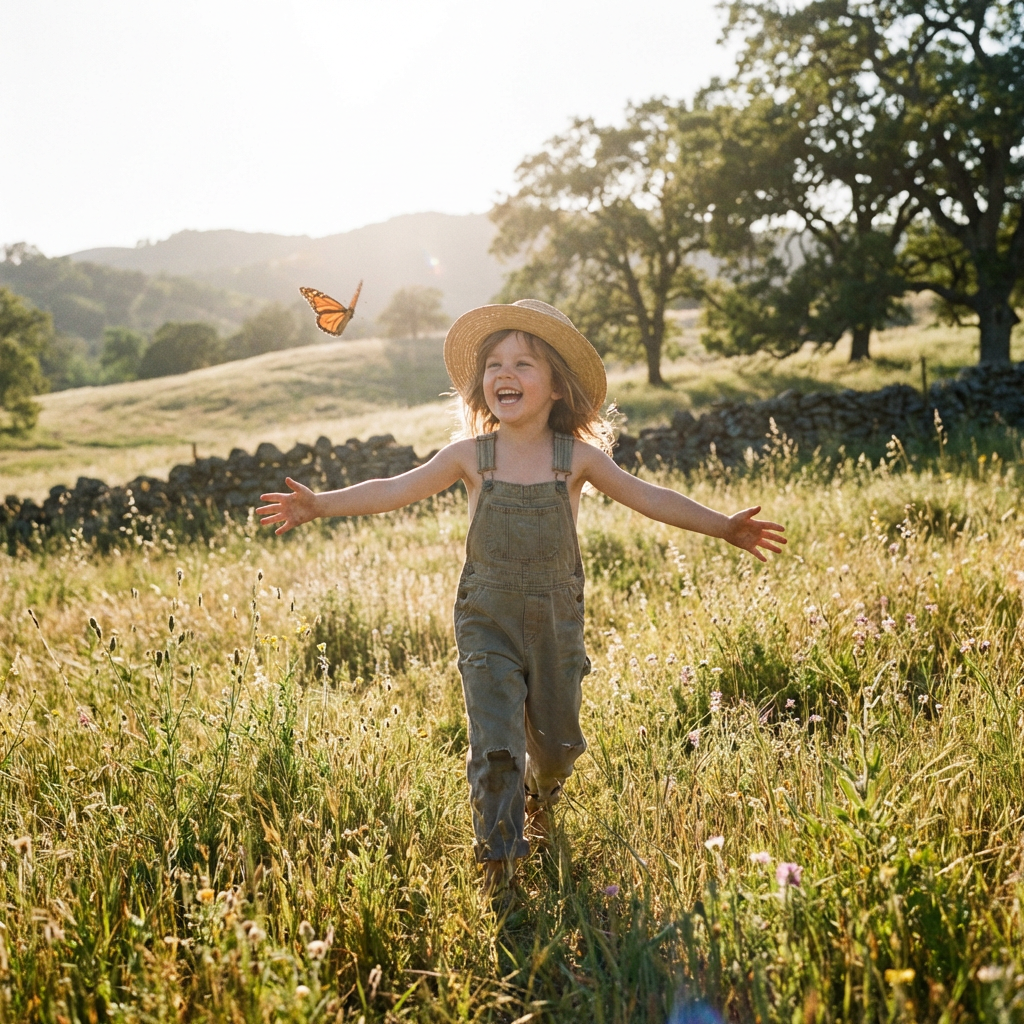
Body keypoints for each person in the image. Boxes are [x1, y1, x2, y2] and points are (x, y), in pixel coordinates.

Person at [257, 299, 786, 892]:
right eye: (494, 364)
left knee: (559, 745)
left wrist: (723, 525)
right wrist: (320, 503)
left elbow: (651, 497)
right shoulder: (470, 457)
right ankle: (499, 860)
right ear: (482, 385)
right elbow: (394, 489)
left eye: (524, 364)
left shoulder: (578, 460)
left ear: (558, 386)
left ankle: (542, 787)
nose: (505, 374)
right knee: (496, 740)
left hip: (557, 620)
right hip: (487, 619)